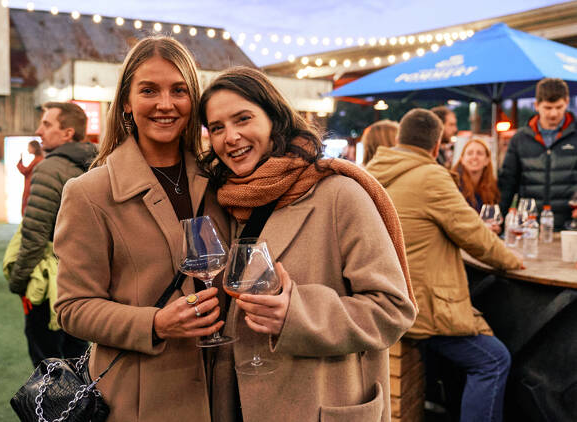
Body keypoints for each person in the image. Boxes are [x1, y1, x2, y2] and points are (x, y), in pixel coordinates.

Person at [198, 66, 417, 422]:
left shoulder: (339, 193)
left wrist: (298, 314)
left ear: (274, 119)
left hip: (318, 404)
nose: (231, 137)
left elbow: (393, 310)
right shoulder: (226, 201)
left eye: (243, 119)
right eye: (217, 128)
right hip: (238, 401)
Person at [53, 37, 230, 422]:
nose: (165, 104)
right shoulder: (89, 193)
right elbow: (72, 308)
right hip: (141, 398)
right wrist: (154, 323)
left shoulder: (220, 182)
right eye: (149, 90)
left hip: (222, 388)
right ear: (127, 102)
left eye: (178, 90)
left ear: (193, 101)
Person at [366, 108, 523, 422]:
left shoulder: (372, 170)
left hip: (382, 295)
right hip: (419, 304)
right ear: (437, 146)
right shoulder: (431, 175)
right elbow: (474, 234)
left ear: (399, 138)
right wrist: (513, 261)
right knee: (493, 360)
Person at [7, 102, 96, 367]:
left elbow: (34, 236)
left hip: (51, 285)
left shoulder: (48, 168)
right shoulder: (98, 164)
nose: (39, 130)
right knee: (79, 360)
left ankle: (57, 410)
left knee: (48, 366)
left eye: (46, 124)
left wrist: (18, 281)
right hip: (89, 281)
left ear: (68, 133)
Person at [498, 78, 577, 229]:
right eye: (548, 108)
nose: (553, 113)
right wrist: (499, 222)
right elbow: (508, 184)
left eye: (559, 107)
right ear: (536, 105)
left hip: (571, 226)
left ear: (567, 102)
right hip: (530, 226)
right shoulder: (520, 139)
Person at [452, 138, 500, 215]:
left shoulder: (493, 187)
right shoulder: (453, 185)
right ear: (462, 159)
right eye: (470, 153)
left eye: (479, 153)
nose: (474, 157)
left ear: (487, 160)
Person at [16, 140, 44, 216]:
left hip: (31, 186)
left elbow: (25, 171)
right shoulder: (39, 159)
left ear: (34, 148)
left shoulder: (38, 159)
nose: (28, 149)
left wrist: (20, 162)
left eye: (29, 147)